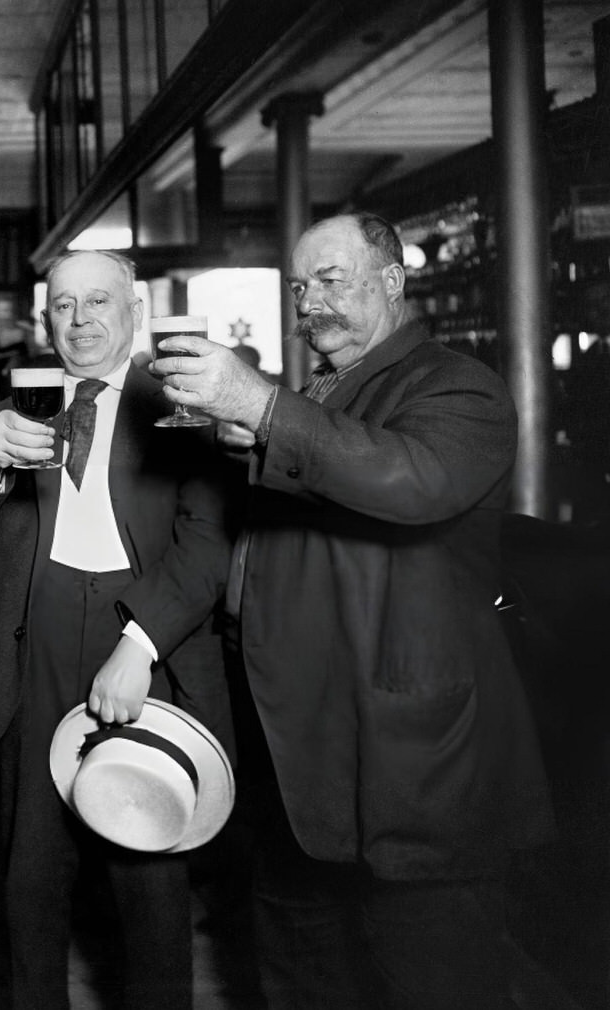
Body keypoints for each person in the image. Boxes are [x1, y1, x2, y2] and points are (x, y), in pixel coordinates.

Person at [150, 212, 554, 1009]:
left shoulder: (456, 384)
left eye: (332, 281)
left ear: (393, 282)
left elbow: (413, 480)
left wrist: (261, 405)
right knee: (305, 978)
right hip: (303, 767)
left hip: (413, 769)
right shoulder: (323, 393)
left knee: (433, 978)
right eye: (300, 288)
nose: (311, 303)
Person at [0, 250, 231, 1010]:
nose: (80, 321)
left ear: (134, 310)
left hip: (143, 642)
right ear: (43, 320)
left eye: (98, 301)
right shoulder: (15, 405)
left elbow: (206, 546)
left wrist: (140, 645)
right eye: (63, 306)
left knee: (149, 880)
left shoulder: (181, 404)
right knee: (29, 882)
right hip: (33, 643)